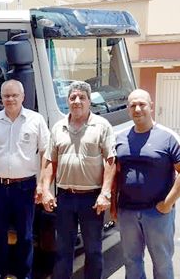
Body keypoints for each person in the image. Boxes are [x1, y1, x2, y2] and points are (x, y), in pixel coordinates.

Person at [114, 89, 180, 279]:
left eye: (142, 104)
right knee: (131, 262)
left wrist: (167, 204)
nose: (137, 109)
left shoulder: (168, 137)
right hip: (128, 212)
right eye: (133, 105)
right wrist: (113, 206)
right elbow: (114, 174)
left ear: (151, 106)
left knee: (162, 263)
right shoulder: (120, 138)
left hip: (157, 213)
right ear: (128, 109)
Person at [41, 80, 115, 279]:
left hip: (91, 199)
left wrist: (105, 193)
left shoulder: (102, 126)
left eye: (82, 97)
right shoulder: (58, 127)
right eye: (73, 97)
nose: (77, 101)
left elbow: (110, 161)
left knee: (93, 250)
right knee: (63, 251)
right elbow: (49, 160)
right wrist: (46, 190)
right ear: (67, 101)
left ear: (89, 101)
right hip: (64, 198)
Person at [0, 79, 49, 279]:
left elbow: (46, 153)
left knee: (25, 237)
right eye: (6, 96)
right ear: (1, 98)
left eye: (14, 95)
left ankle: (24, 275)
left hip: (24, 188)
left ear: (23, 97)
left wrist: (43, 184)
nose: (10, 99)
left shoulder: (36, 120)